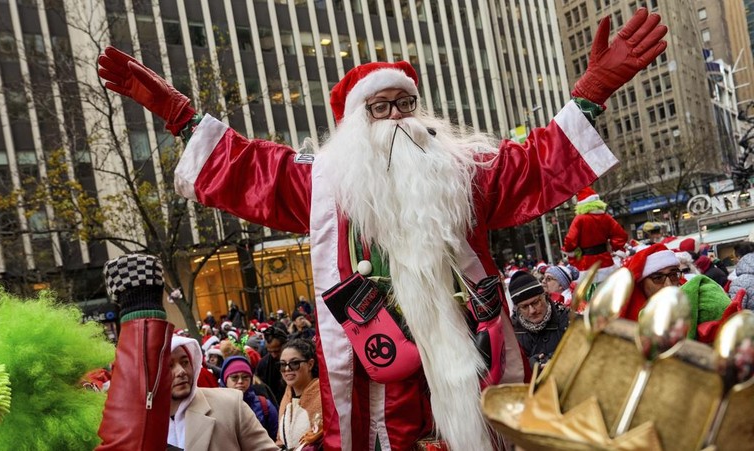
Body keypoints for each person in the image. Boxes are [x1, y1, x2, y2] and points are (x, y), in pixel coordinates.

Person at [98, 9, 667, 450]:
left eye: (407, 104)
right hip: (374, 385)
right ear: (351, 125)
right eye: (381, 108)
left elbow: (533, 164)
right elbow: (248, 165)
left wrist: (591, 95)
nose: (398, 119)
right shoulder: (320, 185)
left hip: (471, 369)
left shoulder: (461, 176)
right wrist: (176, 113)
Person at [96, 254, 277, 451]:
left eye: (185, 362)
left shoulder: (230, 405)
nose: (181, 371)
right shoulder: (129, 421)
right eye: (169, 365)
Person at [620, 244, 730, 340]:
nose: (668, 284)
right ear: (642, 284)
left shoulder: (698, 297)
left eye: (673, 275)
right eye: (658, 278)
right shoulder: (629, 325)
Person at [562, 186, 628, 283]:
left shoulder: (580, 219)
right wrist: (613, 246)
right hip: (606, 260)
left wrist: (570, 251)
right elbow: (621, 235)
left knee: (588, 291)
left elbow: (570, 240)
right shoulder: (606, 217)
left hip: (587, 262)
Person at [508, 271, 569, 369]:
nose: (532, 311)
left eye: (536, 302)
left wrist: (554, 358)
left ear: (545, 296)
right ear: (517, 308)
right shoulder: (511, 331)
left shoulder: (566, 318)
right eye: (524, 307)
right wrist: (529, 366)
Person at [276, 338, 323, 451]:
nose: (287, 369)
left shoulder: (324, 396)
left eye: (294, 363)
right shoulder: (287, 395)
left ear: (310, 364)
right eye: (282, 364)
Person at [221, 355, 279, 440]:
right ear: (225, 380)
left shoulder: (265, 406)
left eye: (245, 377)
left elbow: (274, 438)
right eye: (234, 377)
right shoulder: (216, 406)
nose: (240, 381)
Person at [257, 325, 289, 403]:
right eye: (270, 352)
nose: (273, 355)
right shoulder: (263, 364)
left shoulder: (296, 360)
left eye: (277, 351)